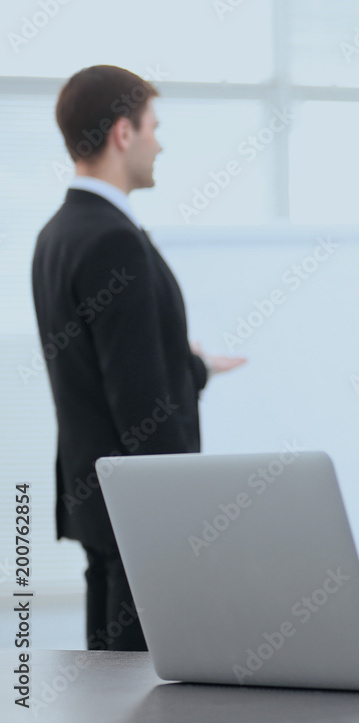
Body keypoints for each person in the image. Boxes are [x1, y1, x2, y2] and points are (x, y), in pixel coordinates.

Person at [32, 65, 245, 651]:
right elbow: (138, 399)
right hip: (142, 516)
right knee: (146, 685)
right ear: (122, 133)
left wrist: (194, 367)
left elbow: (101, 368)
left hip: (97, 501)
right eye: (154, 126)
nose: (160, 144)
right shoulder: (114, 239)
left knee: (105, 684)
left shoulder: (57, 233)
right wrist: (183, 516)